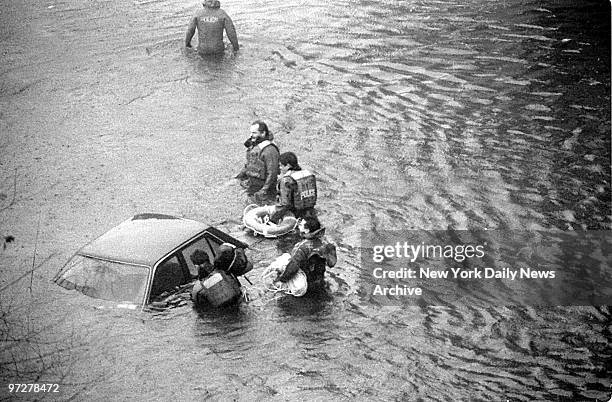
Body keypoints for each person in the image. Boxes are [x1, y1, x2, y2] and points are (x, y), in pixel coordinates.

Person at [274, 216, 337, 294]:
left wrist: (282, 280)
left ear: (307, 230)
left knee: (284, 260)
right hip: (319, 280)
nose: (299, 225)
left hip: (305, 282)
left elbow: (293, 266)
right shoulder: (325, 243)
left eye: (301, 225)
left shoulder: (302, 247)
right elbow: (331, 263)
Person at [235, 121, 280, 204]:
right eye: (251, 132)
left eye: (254, 133)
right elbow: (250, 164)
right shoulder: (256, 147)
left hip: (265, 192)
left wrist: (263, 191)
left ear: (263, 133)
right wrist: (239, 177)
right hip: (253, 186)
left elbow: (272, 173)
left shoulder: (270, 150)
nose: (251, 135)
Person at [270, 152, 317, 223]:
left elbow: (285, 204)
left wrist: (273, 218)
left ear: (288, 165)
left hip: (295, 214)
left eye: (281, 166)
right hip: (310, 211)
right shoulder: (309, 174)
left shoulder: (286, 180)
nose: (280, 168)